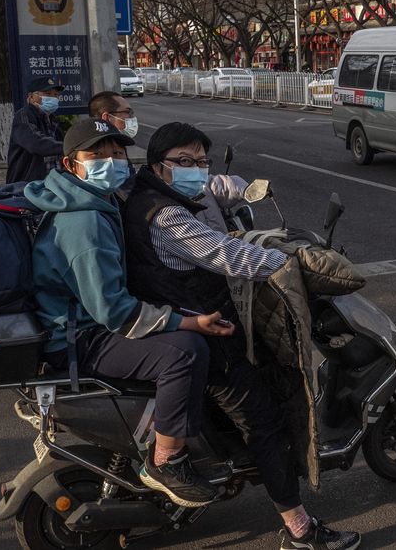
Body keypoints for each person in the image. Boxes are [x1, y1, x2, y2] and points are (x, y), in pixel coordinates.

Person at [120, 122, 360, 550]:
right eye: (184, 162)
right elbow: (224, 254)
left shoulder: (149, 198)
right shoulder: (166, 216)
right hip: (207, 334)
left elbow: (217, 237)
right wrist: (294, 265)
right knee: (263, 421)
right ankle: (299, 527)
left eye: (201, 162)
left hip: (192, 320)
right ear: (158, 167)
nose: (196, 170)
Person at [25, 118, 231, 508]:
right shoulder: (83, 221)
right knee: (184, 352)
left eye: (117, 153)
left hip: (82, 325)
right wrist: (187, 322)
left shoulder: (91, 199)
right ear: (71, 164)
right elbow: (114, 312)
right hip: (79, 338)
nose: (112, 161)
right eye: (97, 155)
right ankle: (166, 461)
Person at [6, 77, 65, 183]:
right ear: (31, 97)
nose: (53, 98)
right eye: (47, 94)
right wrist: (68, 146)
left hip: (53, 184)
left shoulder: (53, 120)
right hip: (27, 186)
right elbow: (36, 143)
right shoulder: (24, 115)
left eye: (56, 95)